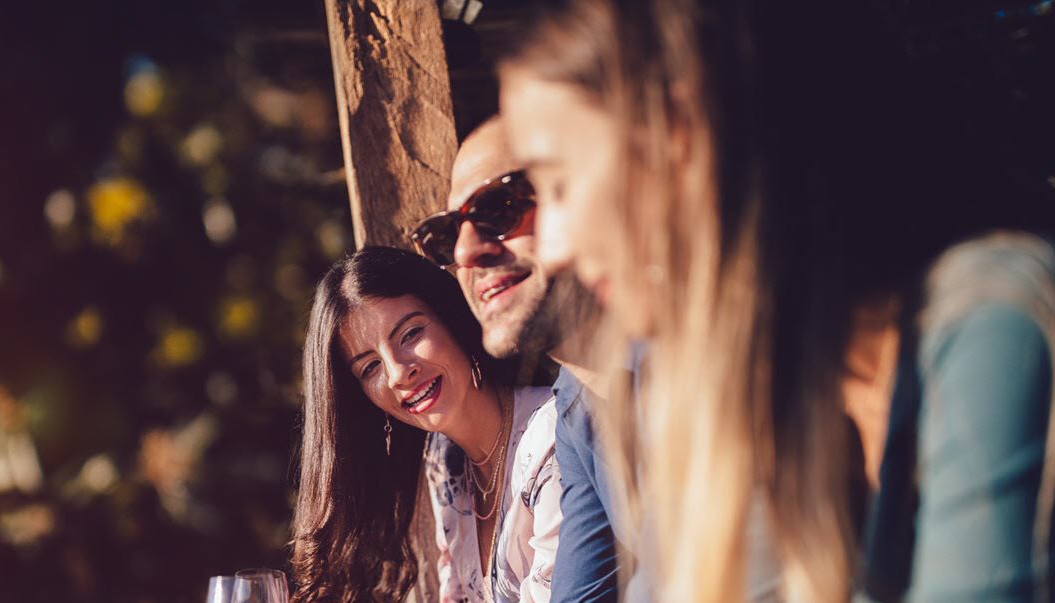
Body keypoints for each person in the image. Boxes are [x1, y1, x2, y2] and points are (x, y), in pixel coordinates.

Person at [496, 1, 1055, 602]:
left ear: (680, 136)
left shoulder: (985, 323)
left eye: (557, 184)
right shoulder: (753, 394)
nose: (550, 247)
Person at [411, 117, 620, 603]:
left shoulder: (718, 365)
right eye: (445, 237)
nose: (466, 251)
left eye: (498, 208)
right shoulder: (577, 404)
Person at [291, 246, 564, 603]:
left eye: (410, 334)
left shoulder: (554, 438)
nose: (398, 373)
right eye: (370, 368)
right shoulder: (446, 459)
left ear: (452, 319)